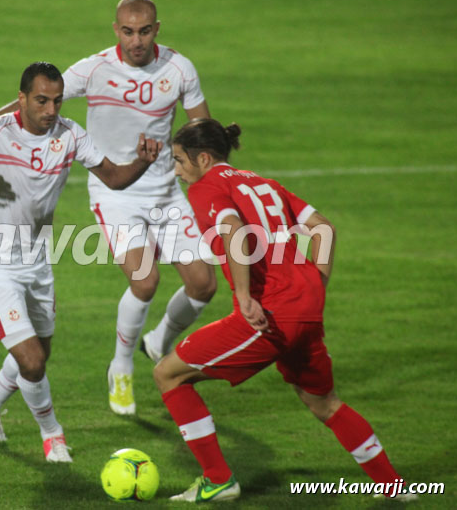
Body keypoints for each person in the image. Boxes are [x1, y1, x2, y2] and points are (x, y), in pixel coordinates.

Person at [0, 0, 217, 416]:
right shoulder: (94, 69)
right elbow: (33, 102)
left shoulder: (179, 69)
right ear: (116, 30)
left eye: (145, 31)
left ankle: (159, 340)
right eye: (128, 31)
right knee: (145, 280)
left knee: (203, 284)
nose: (137, 40)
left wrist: (215, 170)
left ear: (157, 30)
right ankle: (121, 367)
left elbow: (201, 128)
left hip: (164, 189)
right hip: (116, 191)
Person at [153, 118, 414, 502]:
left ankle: (218, 479)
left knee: (169, 374)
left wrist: (244, 296)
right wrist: (315, 286)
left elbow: (234, 231)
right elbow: (323, 228)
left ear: (203, 158)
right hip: (305, 308)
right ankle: (393, 487)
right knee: (324, 402)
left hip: (270, 314)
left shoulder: (207, 187)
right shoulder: (264, 183)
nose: (177, 171)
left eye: (179, 160)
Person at [0, 62, 162, 462]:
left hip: (36, 263)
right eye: (41, 101)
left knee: (38, 354)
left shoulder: (69, 135)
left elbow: (114, 178)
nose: (51, 110)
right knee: (32, 361)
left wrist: (143, 161)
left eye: (56, 100)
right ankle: (53, 434)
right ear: (21, 99)